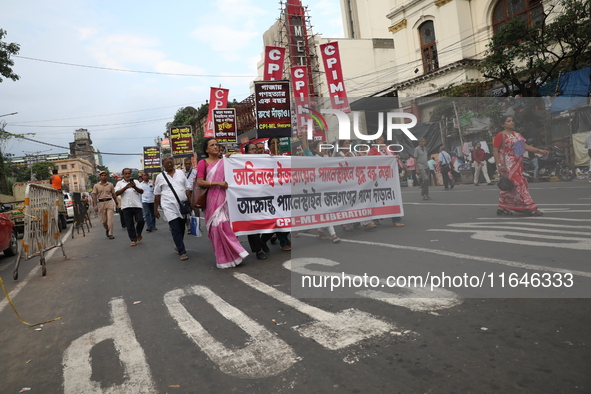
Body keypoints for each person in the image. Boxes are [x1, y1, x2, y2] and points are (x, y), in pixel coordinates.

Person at [197, 138, 248, 268]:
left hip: (224, 199)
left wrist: (234, 156)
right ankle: (223, 259)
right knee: (216, 227)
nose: (215, 147)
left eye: (216, 145)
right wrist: (217, 183)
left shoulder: (224, 162)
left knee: (224, 225)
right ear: (206, 150)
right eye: (212, 145)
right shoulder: (203, 163)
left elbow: (242, 166)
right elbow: (200, 182)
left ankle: (235, 254)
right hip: (211, 200)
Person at [493, 115, 548, 216]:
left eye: (512, 121)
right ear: (502, 124)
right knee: (520, 184)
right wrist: (499, 164)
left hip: (517, 165)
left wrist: (539, 151)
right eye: (508, 121)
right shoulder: (500, 135)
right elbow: (495, 150)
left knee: (511, 187)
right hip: (506, 166)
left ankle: (501, 207)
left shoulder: (516, 135)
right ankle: (530, 207)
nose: (511, 122)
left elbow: (524, 147)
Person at [154, 156, 192, 261]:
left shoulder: (180, 173)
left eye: (171, 162)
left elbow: (187, 188)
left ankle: (178, 244)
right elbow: (157, 194)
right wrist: (155, 209)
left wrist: (191, 202)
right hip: (168, 206)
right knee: (175, 228)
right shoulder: (160, 177)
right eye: (166, 163)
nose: (169, 164)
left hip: (182, 205)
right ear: (163, 165)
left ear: (173, 163)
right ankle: (182, 251)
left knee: (181, 227)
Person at [368, 135, 405, 227]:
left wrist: (396, 157)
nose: (379, 139)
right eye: (377, 138)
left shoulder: (389, 148)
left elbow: (392, 159)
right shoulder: (373, 150)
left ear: (384, 138)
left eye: (380, 137)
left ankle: (396, 219)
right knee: (378, 197)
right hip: (379, 178)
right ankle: (376, 217)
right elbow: (370, 161)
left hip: (391, 178)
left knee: (393, 196)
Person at [115, 168, 145, 246]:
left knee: (141, 220)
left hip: (137, 205)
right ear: (123, 175)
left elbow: (141, 191)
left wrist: (134, 187)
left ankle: (138, 233)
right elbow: (117, 193)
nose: (127, 175)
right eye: (126, 174)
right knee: (129, 224)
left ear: (131, 174)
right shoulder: (119, 183)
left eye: (129, 173)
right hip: (126, 206)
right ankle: (133, 240)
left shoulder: (136, 182)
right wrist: (126, 187)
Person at [92, 170, 117, 239]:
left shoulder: (110, 185)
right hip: (101, 203)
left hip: (109, 202)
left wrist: (117, 203)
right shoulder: (96, 185)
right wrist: (95, 205)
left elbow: (113, 194)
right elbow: (94, 195)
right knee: (103, 221)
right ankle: (107, 229)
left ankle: (110, 233)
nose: (103, 177)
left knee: (110, 219)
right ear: (100, 177)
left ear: (107, 176)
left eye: (105, 175)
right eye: (102, 175)